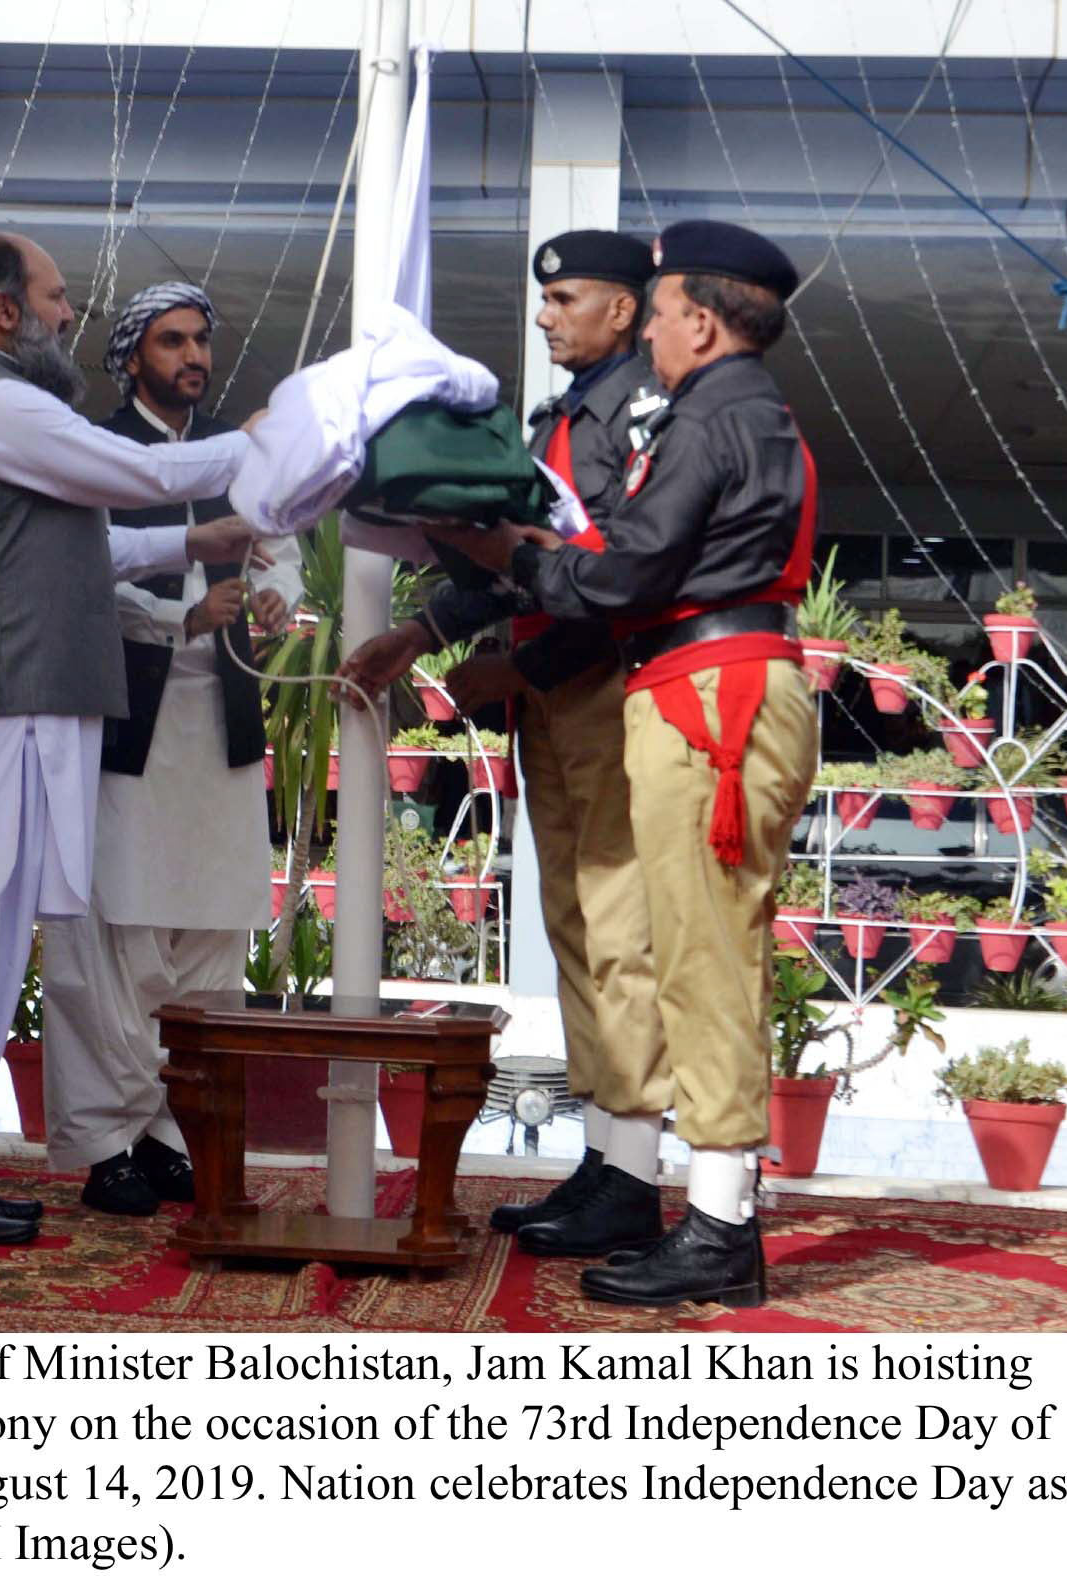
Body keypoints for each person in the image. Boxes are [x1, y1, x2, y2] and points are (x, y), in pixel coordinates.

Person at [427, 219, 820, 1309]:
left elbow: (628, 569)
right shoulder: (717, 410)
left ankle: (720, 1224)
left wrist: (513, 558)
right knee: (679, 947)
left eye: (652, 314)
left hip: (710, 688)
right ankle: (693, 1205)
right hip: (695, 682)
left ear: (698, 319)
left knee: (696, 954)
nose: (645, 333)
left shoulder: (715, 413)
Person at [0, 233, 263, 1245]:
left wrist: (193, 539)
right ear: (4, 311)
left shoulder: (0, 403)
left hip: (10, 704)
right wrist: (258, 446)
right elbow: (124, 470)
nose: (67, 316)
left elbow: (88, 542)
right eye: (55, 300)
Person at [338, 231, 671, 1259]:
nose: (544, 315)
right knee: (574, 927)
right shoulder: (560, 416)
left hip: (601, 689)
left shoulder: (641, 415)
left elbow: (619, 580)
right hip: (554, 698)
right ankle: (608, 1159)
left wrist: (518, 670)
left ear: (621, 310)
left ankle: (634, 1172)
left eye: (565, 298)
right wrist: (422, 630)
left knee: (616, 931)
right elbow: (510, 563)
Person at [40, 282, 303, 1215]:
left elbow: (280, 545)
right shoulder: (98, 453)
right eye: (172, 341)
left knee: (209, 937)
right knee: (116, 933)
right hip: (129, 716)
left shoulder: (235, 449)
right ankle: (107, 1140)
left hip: (221, 720)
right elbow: (80, 574)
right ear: (132, 358)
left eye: (200, 340)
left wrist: (278, 595)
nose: (193, 356)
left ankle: (162, 1131)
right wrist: (179, 613)